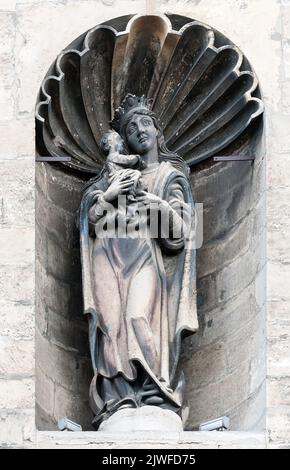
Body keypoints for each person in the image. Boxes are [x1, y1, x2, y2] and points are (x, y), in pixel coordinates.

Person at [79, 94, 198, 428]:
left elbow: (180, 237)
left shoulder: (169, 176)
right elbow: (88, 221)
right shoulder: (109, 176)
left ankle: (154, 392)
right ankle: (118, 398)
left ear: (157, 131)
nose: (139, 131)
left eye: (145, 123)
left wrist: (154, 205)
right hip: (107, 255)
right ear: (124, 140)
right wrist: (110, 193)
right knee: (111, 326)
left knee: (137, 316)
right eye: (131, 128)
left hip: (143, 258)